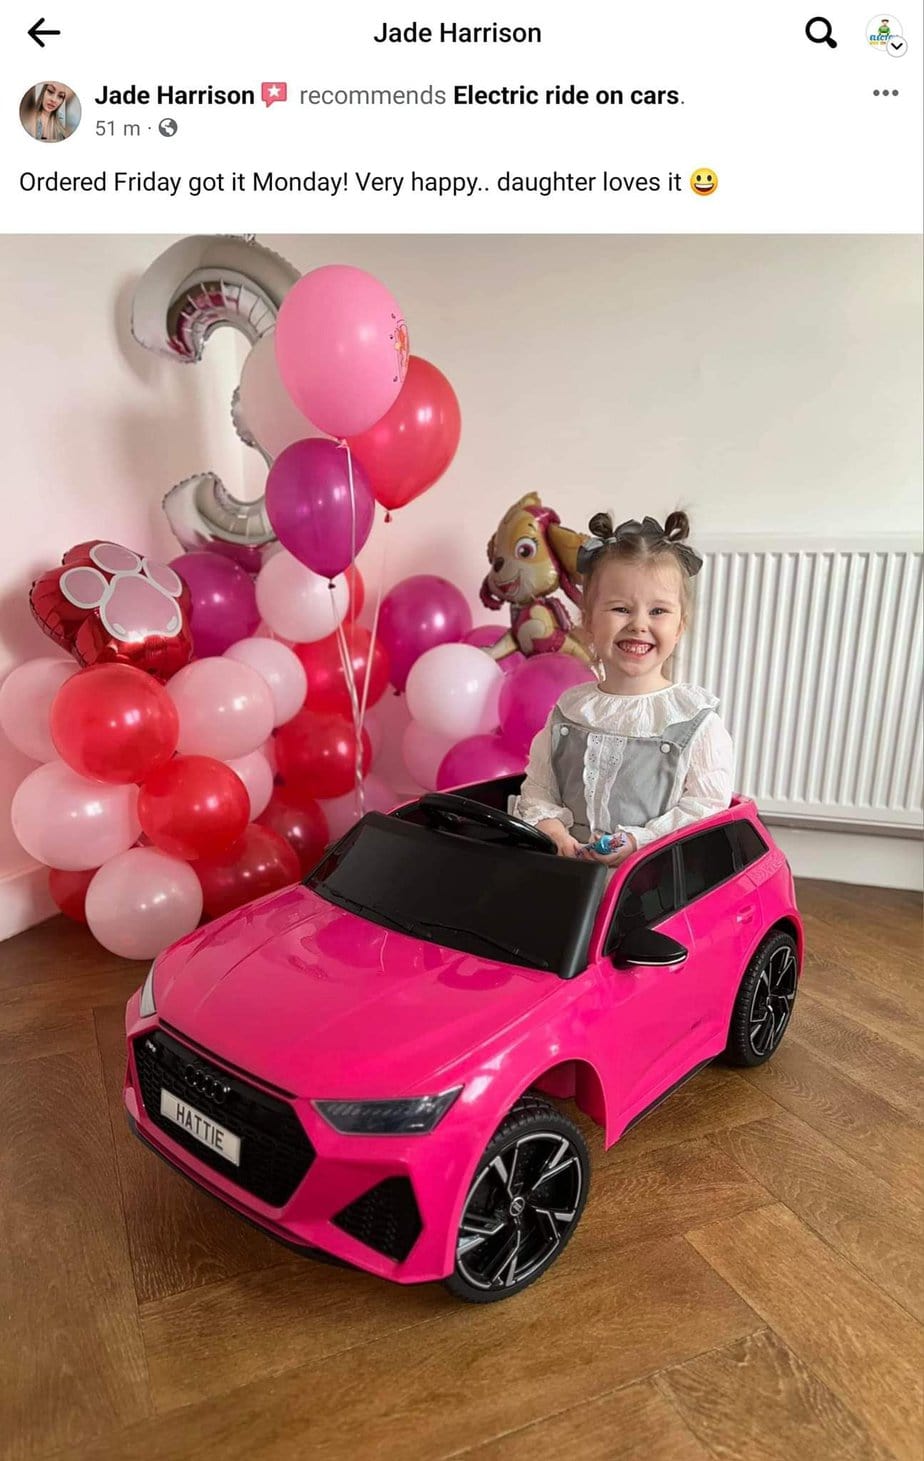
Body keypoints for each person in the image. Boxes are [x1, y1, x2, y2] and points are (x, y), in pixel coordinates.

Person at [513, 510, 734, 867]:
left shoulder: (694, 721)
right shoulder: (570, 712)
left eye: (659, 611)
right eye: (620, 608)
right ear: (588, 622)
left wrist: (638, 841)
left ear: (680, 627)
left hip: (650, 885)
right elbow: (539, 785)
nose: (639, 624)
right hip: (566, 877)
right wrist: (551, 827)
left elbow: (704, 811)